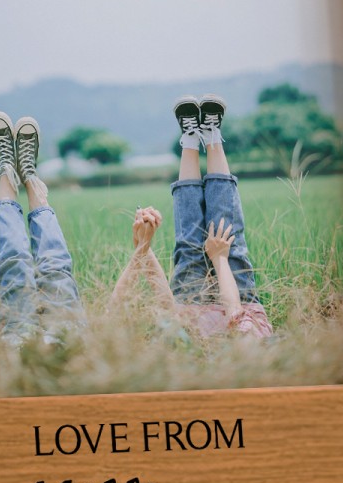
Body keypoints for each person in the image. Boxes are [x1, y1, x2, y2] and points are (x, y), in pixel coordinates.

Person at [113, 96, 272, 337]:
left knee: (189, 245)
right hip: (239, 300)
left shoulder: (184, 348)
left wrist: (143, 247)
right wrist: (219, 259)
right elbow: (236, 316)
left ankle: (190, 139)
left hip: (191, 308)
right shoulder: (249, 348)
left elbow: (168, 308)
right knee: (227, 236)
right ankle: (211, 135)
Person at [0, 111, 84, 344]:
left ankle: (7, 171)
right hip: (66, 335)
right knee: (56, 268)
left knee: (13, 263)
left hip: (17, 338)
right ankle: (29, 176)